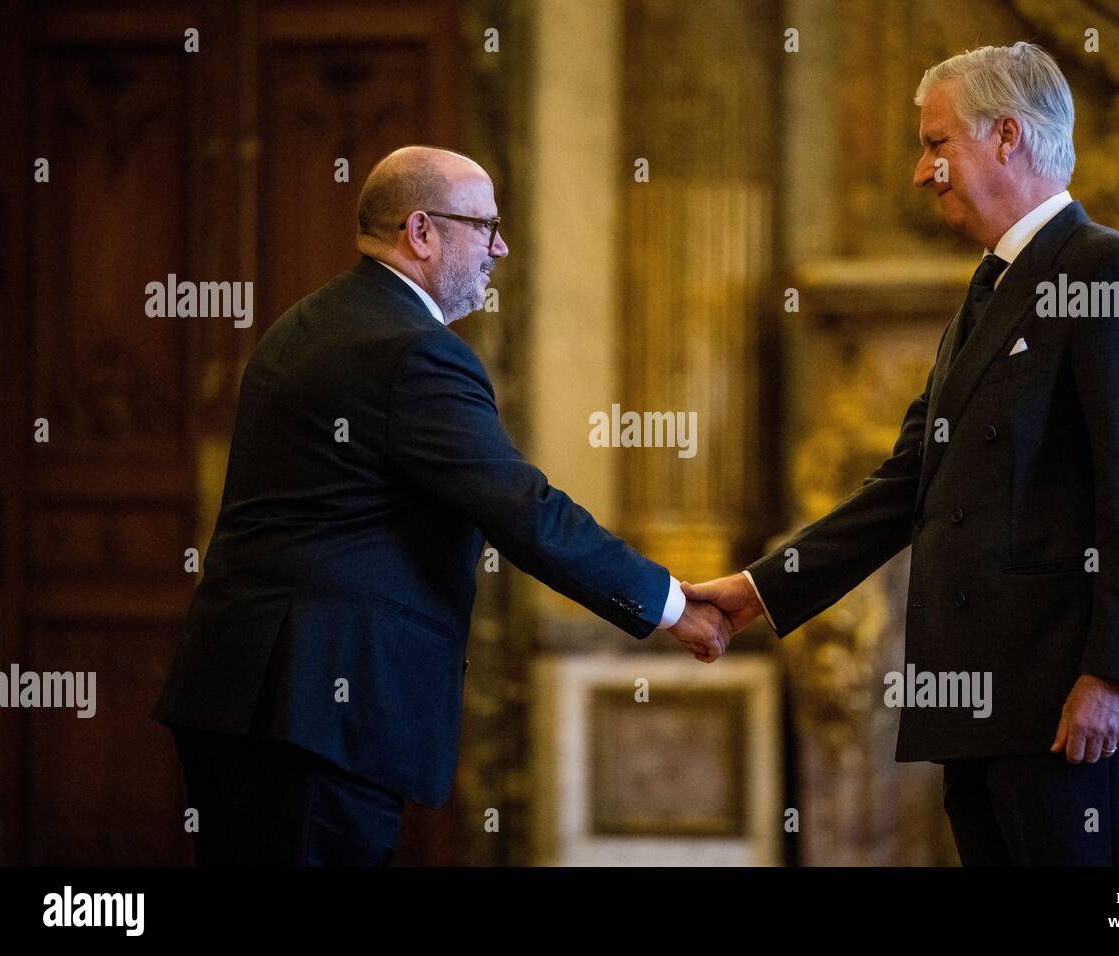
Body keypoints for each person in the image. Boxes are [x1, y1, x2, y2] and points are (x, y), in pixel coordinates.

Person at [683, 42, 1119, 866]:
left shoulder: (1110, 270)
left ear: (1007, 137)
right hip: (991, 710)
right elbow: (905, 486)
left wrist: (1116, 675)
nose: (919, 171)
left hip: (1079, 711)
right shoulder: (989, 290)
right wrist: (760, 589)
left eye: (937, 144)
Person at [153, 146, 730, 866]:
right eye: (485, 226)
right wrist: (672, 605)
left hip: (244, 696)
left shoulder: (303, 325)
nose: (501, 246)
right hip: (312, 714)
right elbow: (523, 509)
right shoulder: (413, 352)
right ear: (420, 231)